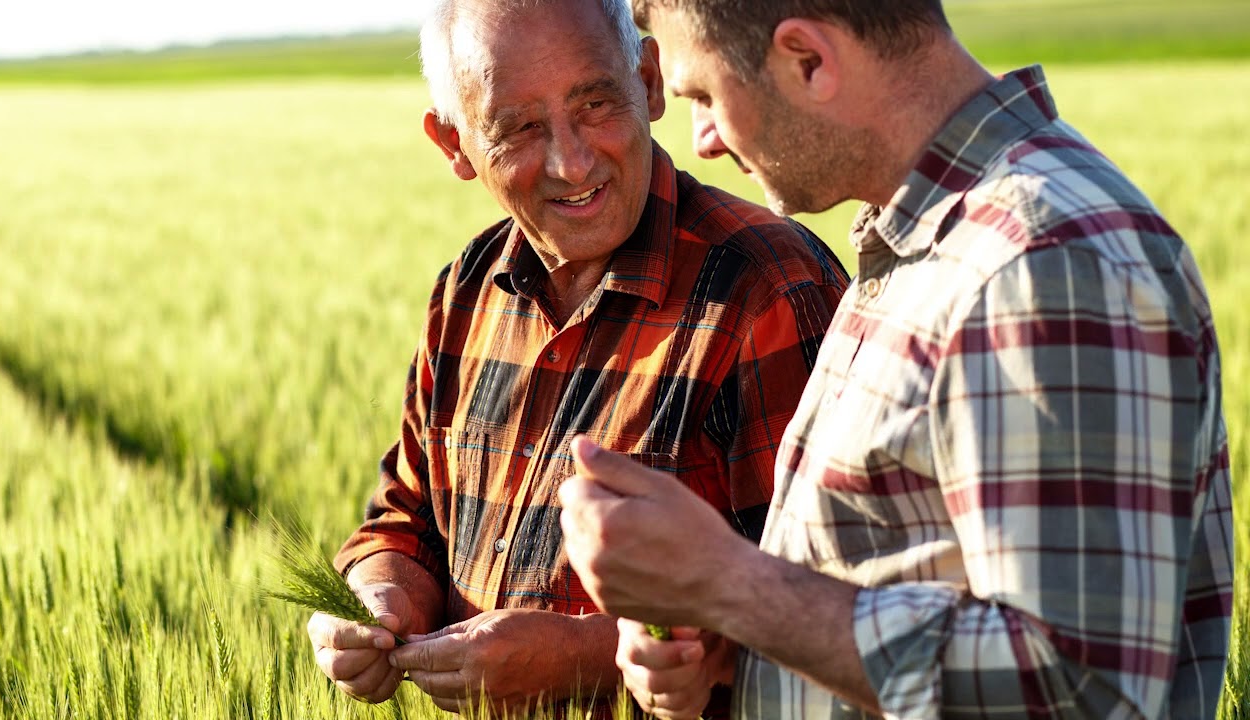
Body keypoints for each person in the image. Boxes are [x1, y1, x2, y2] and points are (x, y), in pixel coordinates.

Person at [559, 1, 1236, 718]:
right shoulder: (929, 242)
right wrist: (733, 640)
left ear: (807, 61)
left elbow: (1076, 691)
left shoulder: (1042, 262)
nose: (702, 141)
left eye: (704, 95)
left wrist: (731, 583)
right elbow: (910, 579)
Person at [306, 0, 849, 714]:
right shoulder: (466, 293)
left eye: (596, 103)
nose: (572, 160)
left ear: (649, 83)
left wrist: (583, 660)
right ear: (454, 145)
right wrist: (380, 602)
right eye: (520, 129)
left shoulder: (766, 292)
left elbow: (838, 616)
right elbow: (406, 519)